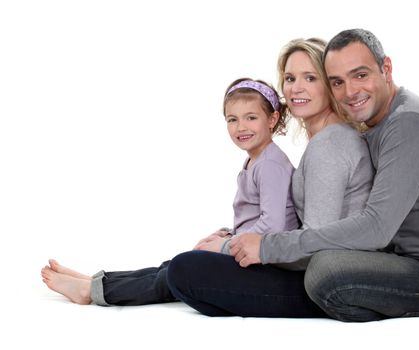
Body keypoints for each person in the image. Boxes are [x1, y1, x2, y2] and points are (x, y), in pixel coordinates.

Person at [230, 29, 419, 322]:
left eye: (360, 75)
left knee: (326, 272)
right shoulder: (368, 126)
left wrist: (268, 247)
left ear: (387, 69)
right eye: (338, 83)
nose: (350, 91)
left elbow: (376, 227)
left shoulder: (410, 123)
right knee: (324, 266)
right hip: (405, 259)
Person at [40, 78, 299, 306]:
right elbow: (255, 218)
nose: (241, 127)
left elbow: (273, 225)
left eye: (251, 118)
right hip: (251, 249)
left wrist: (224, 246)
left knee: (171, 275)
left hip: (267, 261)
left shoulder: (270, 165)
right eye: (233, 119)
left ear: (272, 119)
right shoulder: (257, 160)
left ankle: (92, 292)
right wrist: (226, 234)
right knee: (169, 266)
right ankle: (98, 283)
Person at [166, 38, 374, 317]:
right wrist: (234, 238)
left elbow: (315, 243)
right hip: (311, 266)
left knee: (186, 268)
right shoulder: (325, 141)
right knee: (190, 263)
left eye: (310, 78)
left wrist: (230, 247)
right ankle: (103, 287)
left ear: (330, 84)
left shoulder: (329, 146)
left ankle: (105, 289)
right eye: (290, 78)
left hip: (321, 281)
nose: (295, 87)